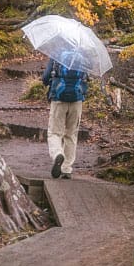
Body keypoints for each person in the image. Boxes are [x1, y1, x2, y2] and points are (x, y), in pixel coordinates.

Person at [41, 50, 90, 179]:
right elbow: (86, 79)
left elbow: (45, 78)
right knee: (71, 134)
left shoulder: (57, 54)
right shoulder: (83, 56)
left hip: (59, 98)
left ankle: (57, 154)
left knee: (54, 132)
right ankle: (67, 168)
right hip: (76, 100)